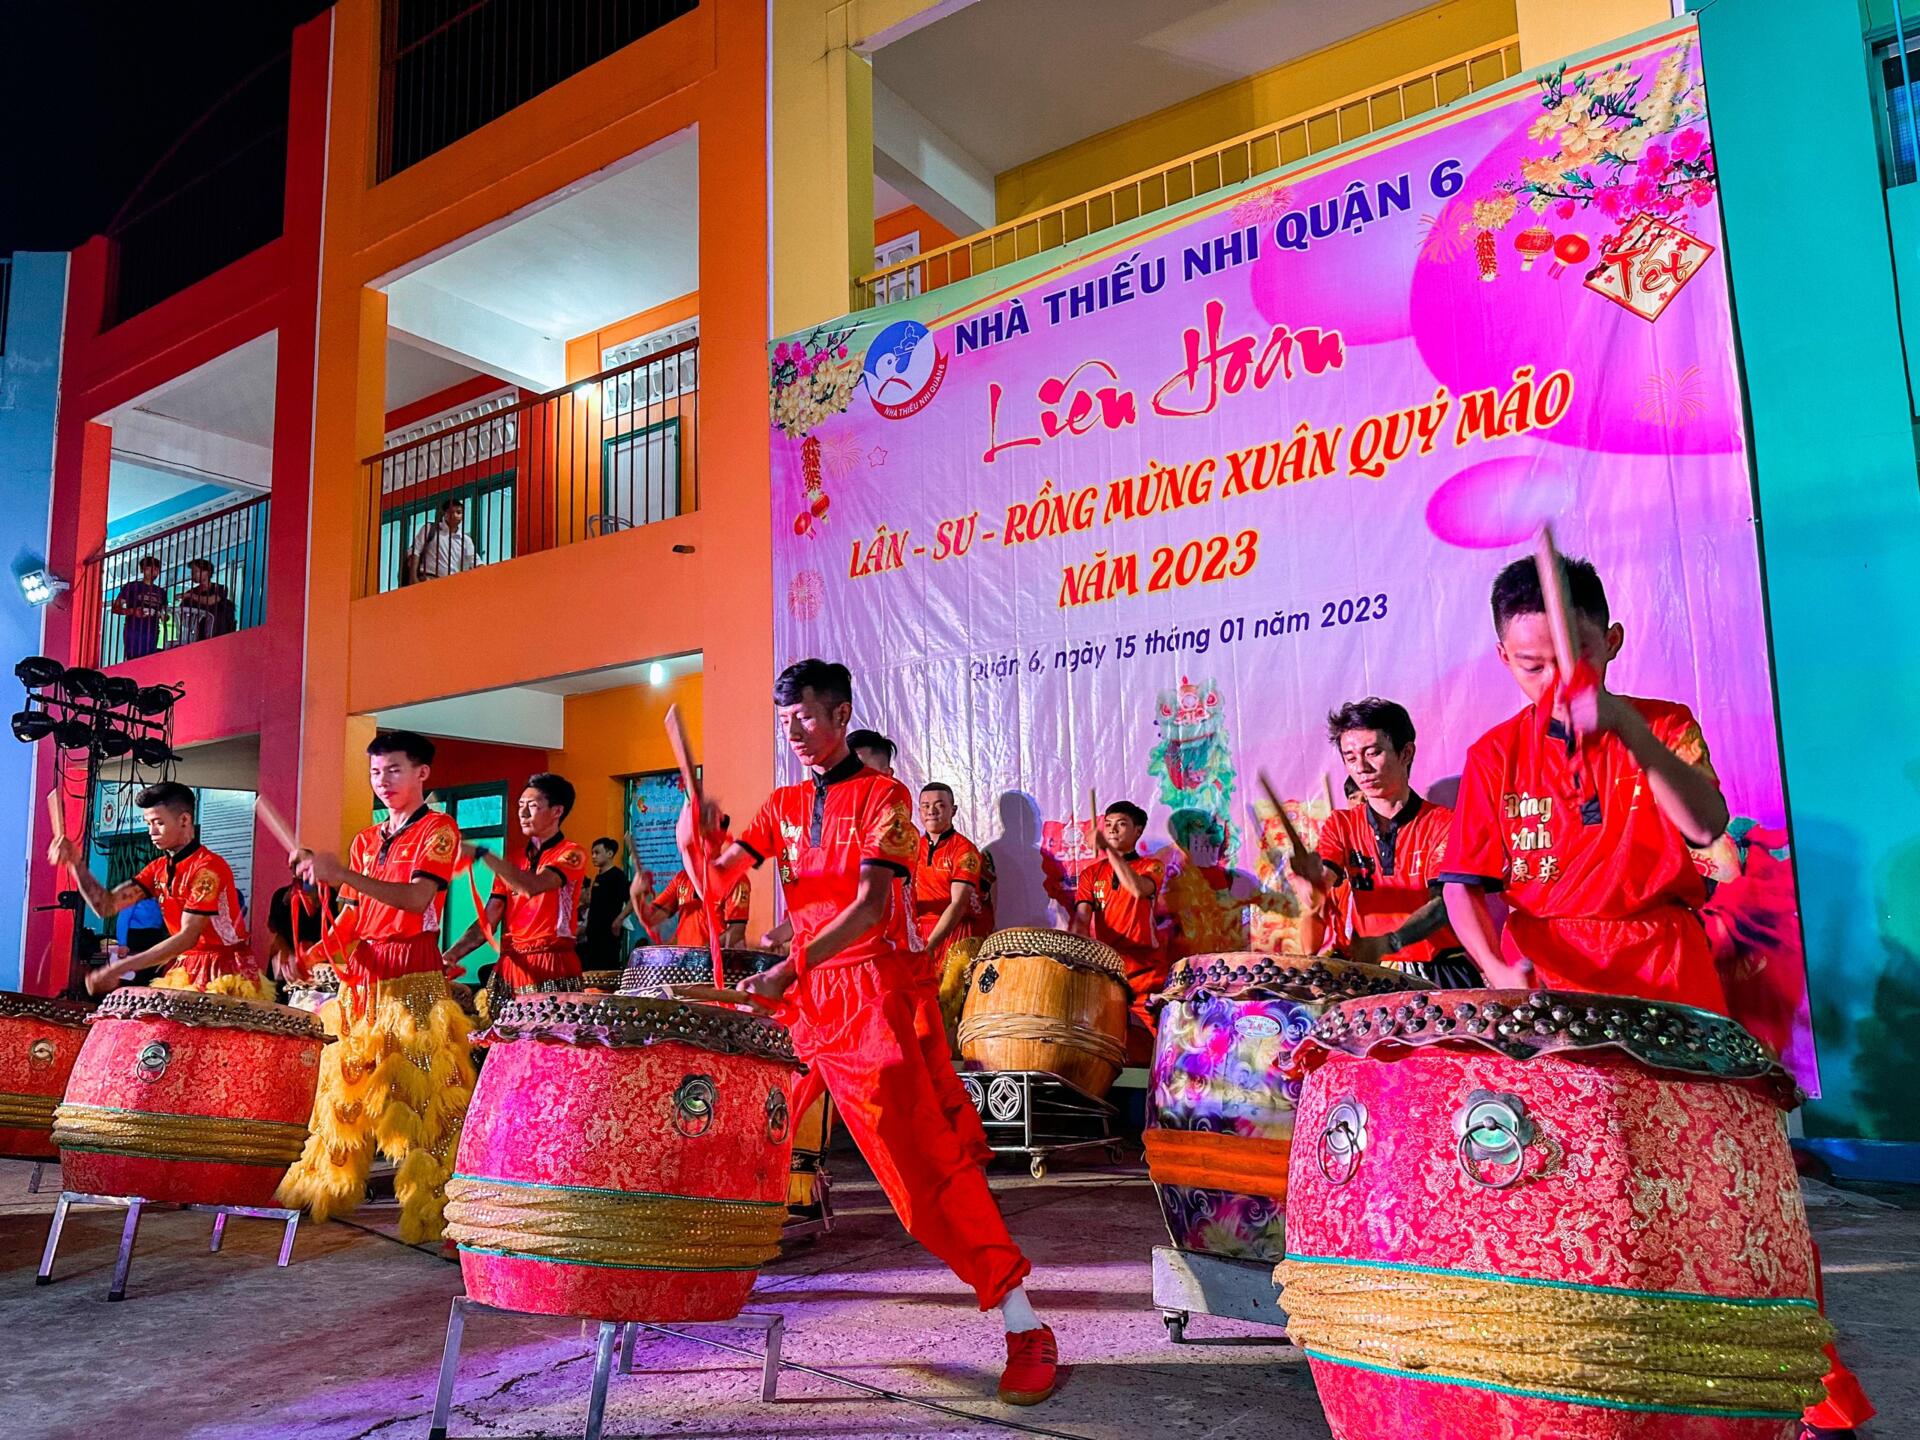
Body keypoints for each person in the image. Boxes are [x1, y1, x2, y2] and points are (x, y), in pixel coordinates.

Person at [1439, 555, 1872, 1439]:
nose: (1556, 680)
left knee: (1728, 1183)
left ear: (1612, 641)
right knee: (1567, 1191)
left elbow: (1707, 826)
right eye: (1532, 664)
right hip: (1554, 993)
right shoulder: (1493, 755)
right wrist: (1494, 965)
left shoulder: (1665, 725)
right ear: (1504, 659)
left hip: (1668, 972)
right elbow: (1465, 887)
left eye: (1575, 656)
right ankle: (1587, 1387)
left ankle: (1808, 1381)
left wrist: (1629, 733)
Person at [678, 659, 1059, 1405]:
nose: (795, 734)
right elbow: (718, 879)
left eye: (806, 719)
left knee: (921, 1173)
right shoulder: (783, 803)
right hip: (803, 1002)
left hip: (867, 996)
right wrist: (694, 839)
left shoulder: (885, 797)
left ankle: (1024, 1323)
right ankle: (674, 1277)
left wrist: (790, 966)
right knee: (733, 1131)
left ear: (840, 714)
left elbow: (868, 907)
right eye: (784, 723)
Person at [277, 730, 475, 1244]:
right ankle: (326, 1188)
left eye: (393, 770)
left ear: (422, 773)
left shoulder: (439, 830)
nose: (382, 781)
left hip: (413, 974)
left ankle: (439, 1208)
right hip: (364, 978)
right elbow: (352, 918)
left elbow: (415, 899)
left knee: (427, 1099)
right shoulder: (366, 840)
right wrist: (311, 955)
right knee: (342, 1094)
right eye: (374, 772)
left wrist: (342, 873)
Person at [1290, 698, 1481, 988]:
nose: (1361, 767)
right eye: (1350, 757)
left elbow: (1443, 904)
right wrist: (1312, 884)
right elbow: (1324, 877)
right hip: (1373, 973)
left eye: (1373, 753)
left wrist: (1392, 941)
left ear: (1406, 753)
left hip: (1438, 970)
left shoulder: (1443, 822)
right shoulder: (1342, 824)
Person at [49, 781, 271, 1001]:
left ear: (184, 820)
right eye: (148, 823)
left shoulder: (208, 869)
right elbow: (105, 905)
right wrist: (75, 863)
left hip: (224, 970)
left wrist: (120, 967)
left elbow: (187, 937)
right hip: (185, 965)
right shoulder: (158, 869)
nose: (151, 832)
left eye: (159, 823)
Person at [445, 773, 589, 1003]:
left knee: (547, 1025)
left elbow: (531, 886)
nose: (522, 813)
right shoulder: (512, 861)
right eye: (520, 805)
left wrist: (484, 854)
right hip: (511, 964)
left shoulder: (572, 853)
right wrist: (452, 954)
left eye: (532, 806)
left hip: (552, 962)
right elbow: (488, 921)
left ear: (557, 811)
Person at [1072, 800, 1167, 1056]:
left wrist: (1107, 849)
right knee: (1105, 1044)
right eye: (1108, 824)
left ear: (1138, 831)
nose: (1112, 829)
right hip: (1108, 971)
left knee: (1158, 1042)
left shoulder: (1151, 866)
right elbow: (1081, 921)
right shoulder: (1091, 874)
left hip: (1145, 972)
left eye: (1121, 824)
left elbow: (1137, 889)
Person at [1162, 809, 1291, 960]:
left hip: (1232, 966)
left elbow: (1283, 906)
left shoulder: (1240, 881)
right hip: (1191, 969)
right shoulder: (1174, 885)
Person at [640, 819, 751, 950]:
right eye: (697, 836)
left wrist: (701, 954)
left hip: (715, 961)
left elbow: (736, 933)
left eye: (707, 836)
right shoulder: (682, 879)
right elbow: (651, 918)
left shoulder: (736, 879)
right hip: (687, 960)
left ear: (721, 838)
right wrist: (637, 895)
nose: (700, 841)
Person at [577, 836, 633, 969]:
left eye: (597, 852)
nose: (593, 856)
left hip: (608, 937)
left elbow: (632, 901)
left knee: (607, 971)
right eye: (592, 853)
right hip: (593, 936)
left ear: (609, 854)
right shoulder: (598, 876)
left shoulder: (617, 876)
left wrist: (619, 920)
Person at [405, 498, 477, 585]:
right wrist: (413, 578)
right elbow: (415, 551)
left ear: (462, 516)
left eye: (458, 512)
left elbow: (474, 561)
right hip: (429, 580)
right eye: (451, 512)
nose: (454, 515)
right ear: (445, 514)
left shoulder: (466, 540)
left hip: (452, 584)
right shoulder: (430, 529)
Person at [112, 554, 167, 660]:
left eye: (156, 569)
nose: (153, 572)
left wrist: (162, 616)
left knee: (149, 660)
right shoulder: (132, 587)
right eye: (149, 569)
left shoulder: (161, 592)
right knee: (133, 660)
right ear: (142, 570)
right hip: (133, 631)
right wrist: (132, 611)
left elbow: (164, 613)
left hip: (153, 632)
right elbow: (116, 608)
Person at [176, 557, 232, 644]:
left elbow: (211, 600)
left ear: (208, 572)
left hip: (219, 632)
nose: (193, 574)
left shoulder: (220, 588)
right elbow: (182, 613)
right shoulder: (191, 592)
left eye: (196, 571)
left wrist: (190, 596)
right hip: (198, 635)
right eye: (192, 572)